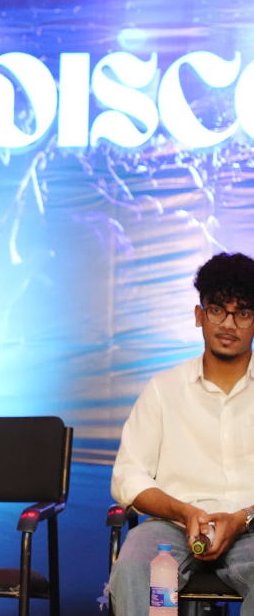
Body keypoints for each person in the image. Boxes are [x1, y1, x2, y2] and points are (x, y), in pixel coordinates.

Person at [109, 252, 254, 615]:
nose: (229, 323)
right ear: (199, 315)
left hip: (252, 528)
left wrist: (242, 518)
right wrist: (184, 511)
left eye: (243, 313)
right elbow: (128, 476)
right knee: (135, 565)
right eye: (217, 310)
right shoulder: (163, 389)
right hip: (171, 529)